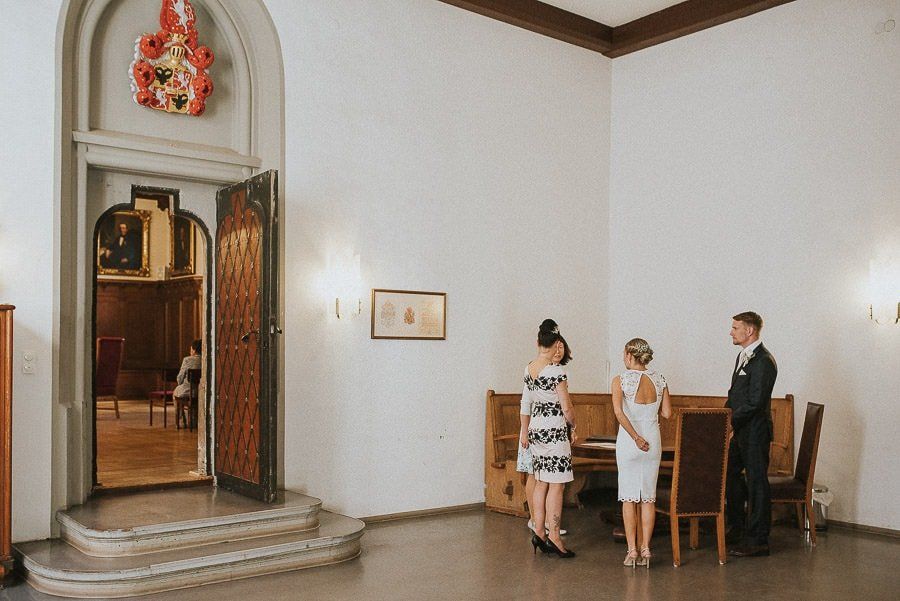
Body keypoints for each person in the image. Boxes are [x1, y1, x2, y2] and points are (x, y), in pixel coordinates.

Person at [611, 338, 672, 568]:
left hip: (630, 442)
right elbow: (666, 413)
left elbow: (619, 413)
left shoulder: (620, 380)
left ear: (629, 355)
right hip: (653, 441)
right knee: (648, 497)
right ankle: (646, 548)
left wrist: (636, 437)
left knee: (629, 498)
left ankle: (632, 551)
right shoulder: (660, 379)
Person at [725, 311, 778, 557]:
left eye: (735, 328)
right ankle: (737, 527)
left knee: (757, 482)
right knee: (729, 473)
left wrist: (731, 421)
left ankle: (758, 540)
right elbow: (735, 393)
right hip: (741, 431)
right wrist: (723, 417)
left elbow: (756, 402)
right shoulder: (742, 357)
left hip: (756, 432)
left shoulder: (764, 361)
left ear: (750, 331)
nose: (731, 332)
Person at [523, 319, 577, 558]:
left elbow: (527, 402)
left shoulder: (529, 368)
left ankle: (539, 531)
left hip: (536, 430)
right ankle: (554, 535)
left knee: (540, 481)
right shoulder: (556, 371)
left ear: (537, 342)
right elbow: (566, 408)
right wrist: (574, 425)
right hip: (555, 431)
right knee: (557, 485)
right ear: (556, 344)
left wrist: (524, 430)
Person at [517, 336, 570, 537]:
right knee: (538, 477)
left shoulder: (542, 370)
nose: (558, 351)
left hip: (536, 428)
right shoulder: (547, 371)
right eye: (555, 347)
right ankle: (538, 523)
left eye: (562, 347)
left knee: (543, 480)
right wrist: (524, 432)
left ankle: (543, 526)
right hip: (539, 429)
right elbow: (525, 402)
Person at [173, 339, 202, 412]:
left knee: (175, 392)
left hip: (188, 391)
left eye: (191, 349)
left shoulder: (187, 360)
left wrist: (180, 384)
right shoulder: (205, 360)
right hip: (201, 392)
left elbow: (179, 379)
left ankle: (181, 419)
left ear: (194, 350)